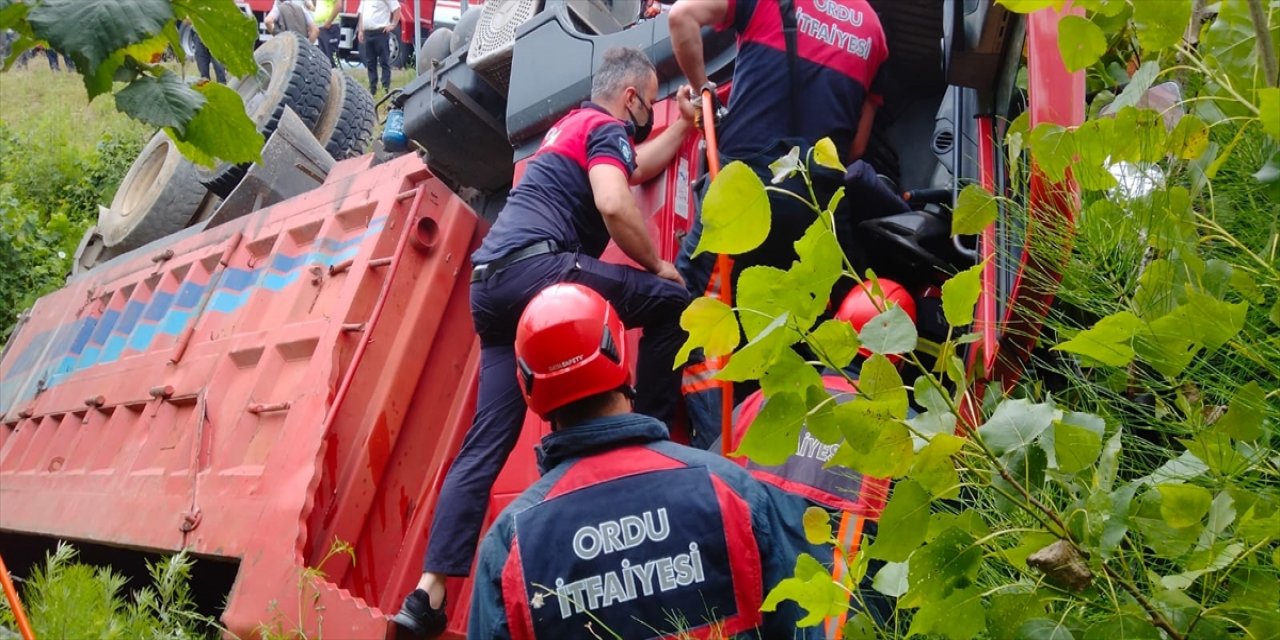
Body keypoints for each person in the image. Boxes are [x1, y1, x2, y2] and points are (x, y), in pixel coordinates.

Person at [391, 47, 699, 638]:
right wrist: (657, 263)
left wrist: (681, 126)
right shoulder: (605, 127)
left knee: (485, 443)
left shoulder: (575, 127)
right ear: (631, 99)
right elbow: (614, 202)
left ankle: (427, 595)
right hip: (539, 270)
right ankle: (654, 445)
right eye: (652, 99)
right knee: (671, 303)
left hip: (490, 287)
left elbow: (633, 170)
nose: (650, 111)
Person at [455, 283, 822, 638]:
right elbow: (801, 626)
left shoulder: (510, 547)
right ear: (619, 352)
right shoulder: (730, 489)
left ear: (528, 384)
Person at [667, 0, 890, 443]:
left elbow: (680, 17)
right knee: (810, 334)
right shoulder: (875, 33)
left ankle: (717, 457)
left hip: (745, 193)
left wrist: (702, 90)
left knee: (698, 317)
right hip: (819, 205)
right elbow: (858, 146)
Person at [718, 279, 917, 636]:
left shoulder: (759, 405)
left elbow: (700, 493)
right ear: (899, 359)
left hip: (746, 622)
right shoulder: (902, 432)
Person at [357, 0, 399, 95]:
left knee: (384, 61)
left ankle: (385, 88)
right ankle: (372, 88)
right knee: (370, 62)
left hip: (381, 32)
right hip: (368, 32)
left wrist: (392, 25)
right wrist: (360, 30)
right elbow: (361, 14)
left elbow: (397, 9)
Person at [314, 0, 341, 67]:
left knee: (333, 56)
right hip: (321, 27)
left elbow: (338, 5)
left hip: (330, 26)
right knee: (323, 58)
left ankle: (338, 74)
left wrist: (330, 20)